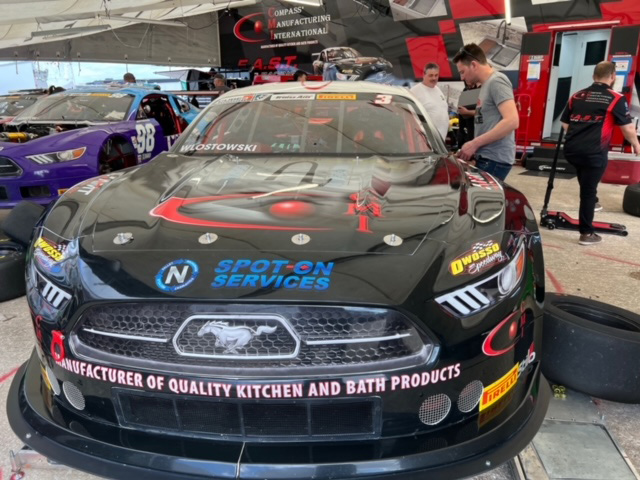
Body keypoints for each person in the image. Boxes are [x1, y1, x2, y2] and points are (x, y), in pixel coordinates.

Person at [560, 61, 640, 246]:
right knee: (588, 192)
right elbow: (627, 128)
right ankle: (586, 233)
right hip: (594, 152)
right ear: (612, 77)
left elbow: (565, 124)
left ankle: (593, 202)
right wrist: (636, 144)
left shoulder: (577, 96)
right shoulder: (616, 98)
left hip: (571, 150)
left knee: (586, 183)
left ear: (593, 76)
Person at [453, 44, 519, 181]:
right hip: (486, 158)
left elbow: (512, 121)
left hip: (494, 160)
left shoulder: (497, 81)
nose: (462, 78)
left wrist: (474, 144)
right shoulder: (485, 85)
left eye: (462, 72)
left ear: (473, 65)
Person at [410, 63, 449, 140]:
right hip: (424, 140)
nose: (434, 78)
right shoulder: (415, 91)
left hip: (440, 140)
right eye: (431, 75)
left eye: (436, 75)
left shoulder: (438, 90)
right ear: (424, 75)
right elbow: (409, 116)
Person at [457, 80, 480, 148]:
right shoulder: (465, 90)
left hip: (477, 129)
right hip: (465, 128)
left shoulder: (482, 90)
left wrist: (468, 112)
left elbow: (486, 112)